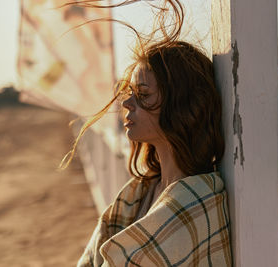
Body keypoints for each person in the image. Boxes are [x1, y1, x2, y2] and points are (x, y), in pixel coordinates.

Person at [61, 1, 233, 266]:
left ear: (180, 107)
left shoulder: (196, 204)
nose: (127, 104)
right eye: (130, 93)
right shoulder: (142, 190)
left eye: (143, 95)